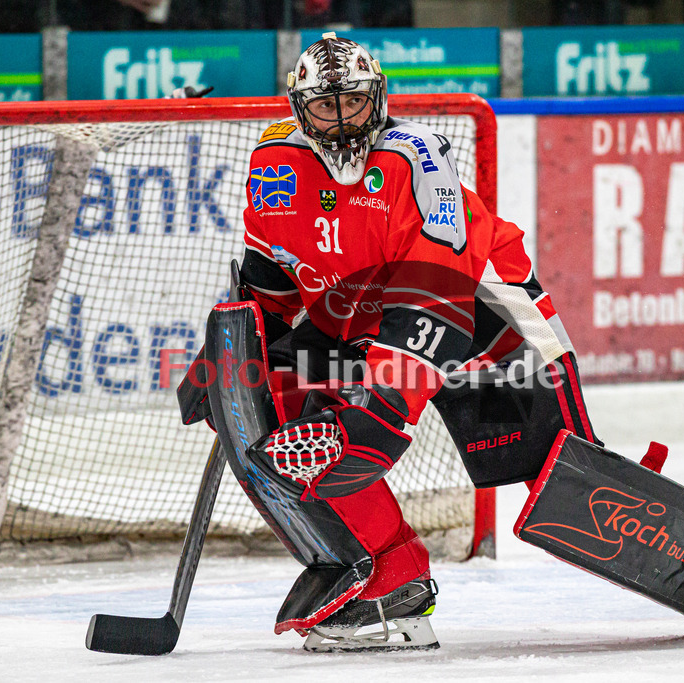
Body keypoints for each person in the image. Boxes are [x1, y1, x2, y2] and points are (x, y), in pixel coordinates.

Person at [205, 32, 598, 651]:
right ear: (299, 107)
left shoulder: (417, 156)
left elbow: (434, 289)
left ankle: (598, 477)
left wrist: (388, 402)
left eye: (354, 103)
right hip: (359, 317)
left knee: (549, 452)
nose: (340, 121)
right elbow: (271, 277)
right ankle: (393, 579)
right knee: (266, 409)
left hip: (479, 306)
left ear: (379, 98)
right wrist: (232, 355)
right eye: (325, 106)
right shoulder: (273, 161)